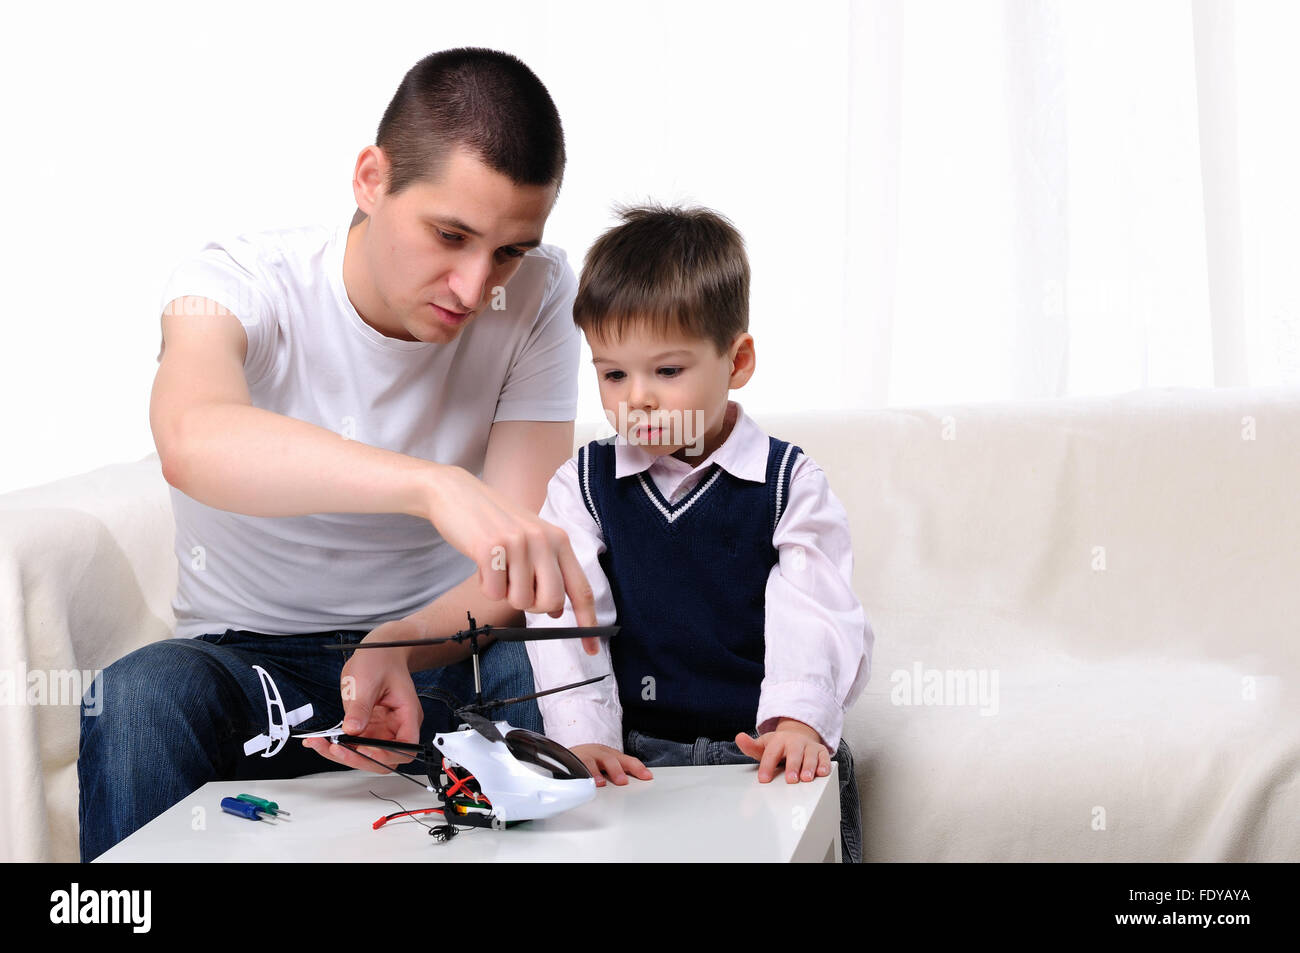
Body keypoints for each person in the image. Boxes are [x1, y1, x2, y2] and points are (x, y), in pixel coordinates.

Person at [78, 48, 601, 862]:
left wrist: (399, 642)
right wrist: (430, 486)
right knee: (139, 695)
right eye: (450, 234)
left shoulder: (538, 294)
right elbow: (192, 436)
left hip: (434, 649)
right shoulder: (235, 284)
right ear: (370, 178)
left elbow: (509, 577)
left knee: (539, 671)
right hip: (252, 662)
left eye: (507, 251)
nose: (473, 286)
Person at [523, 205, 873, 862]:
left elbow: (815, 606)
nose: (637, 399)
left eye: (668, 370)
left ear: (736, 360)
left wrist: (798, 718)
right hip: (640, 751)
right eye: (613, 373)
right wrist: (583, 734)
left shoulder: (787, 482)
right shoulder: (586, 482)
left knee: (820, 790)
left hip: (765, 745)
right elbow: (569, 613)